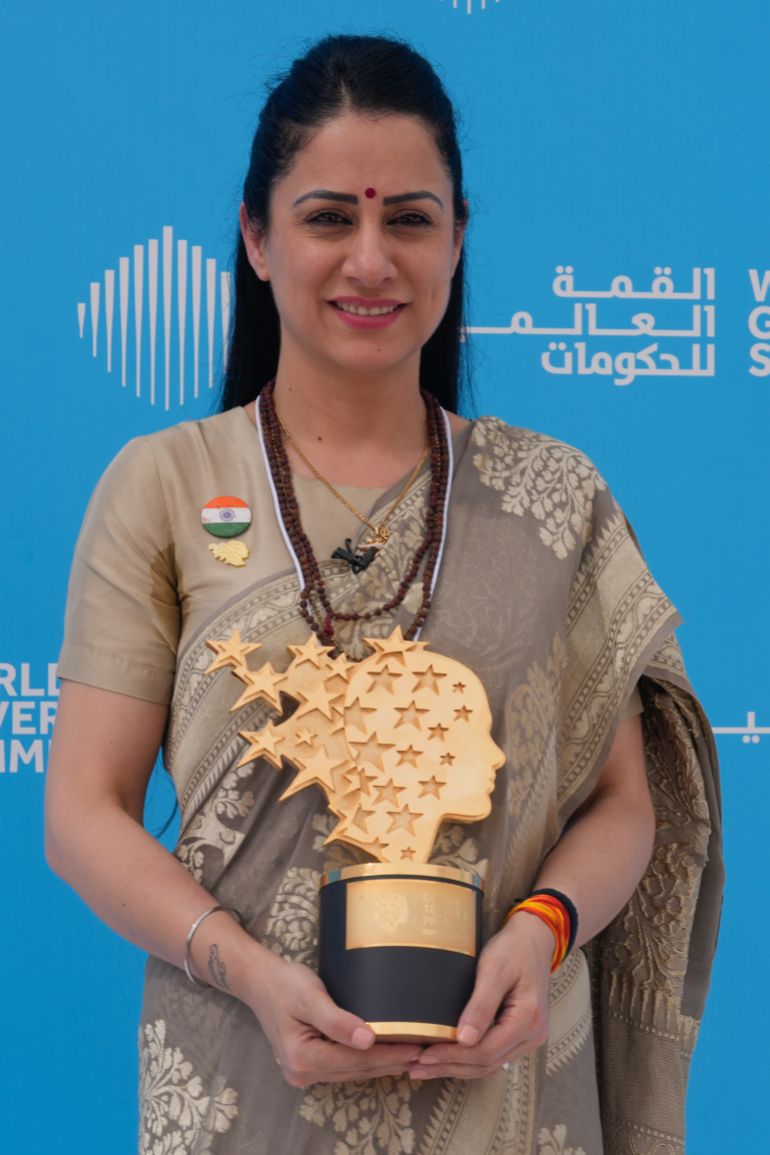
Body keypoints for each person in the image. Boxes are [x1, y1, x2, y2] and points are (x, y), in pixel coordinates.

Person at [46, 33, 723, 1155]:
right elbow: (82, 815)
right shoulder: (164, 487)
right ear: (257, 241)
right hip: (240, 1078)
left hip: (503, 1092)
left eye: (408, 219)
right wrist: (248, 972)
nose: (371, 259)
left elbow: (622, 806)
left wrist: (540, 935)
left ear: (456, 240)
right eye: (327, 219)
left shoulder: (551, 497)